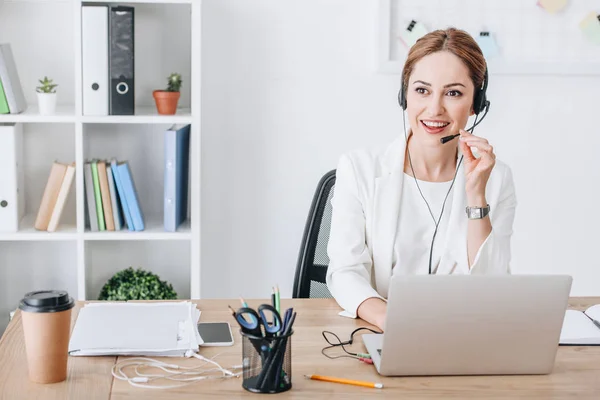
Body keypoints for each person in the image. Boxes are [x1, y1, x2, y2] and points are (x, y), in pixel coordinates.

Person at [325, 27, 517, 331]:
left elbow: (491, 286)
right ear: (405, 95)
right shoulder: (359, 168)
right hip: (383, 333)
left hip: (462, 335)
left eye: (453, 93)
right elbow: (345, 272)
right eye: (422, 90)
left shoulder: (496, 178)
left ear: (476, 103)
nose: (434, 109)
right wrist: (392, 321)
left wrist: (476, 196)